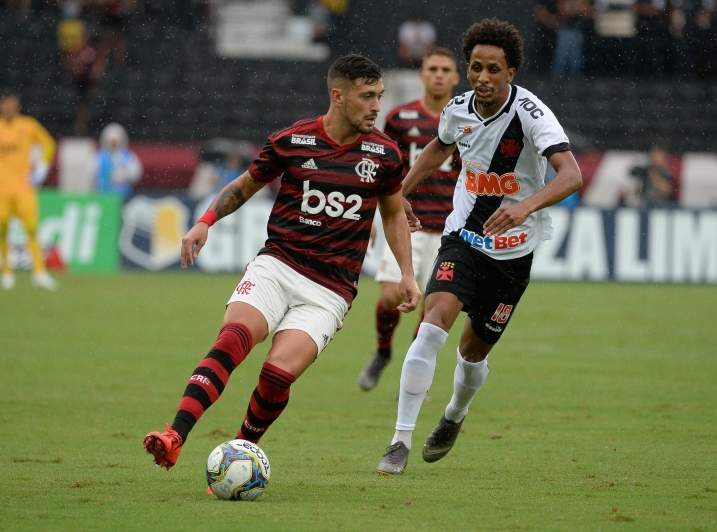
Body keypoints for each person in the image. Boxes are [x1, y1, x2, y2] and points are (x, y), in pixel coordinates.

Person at [143, 54, 421, 473]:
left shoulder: (385, 154)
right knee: (233, 339)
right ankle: (175, 435)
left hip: (331, 289)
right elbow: (245, 185)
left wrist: (407, 273)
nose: (376, 106)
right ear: (338, 96)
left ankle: (240, 455)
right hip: (278, 265)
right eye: (367, 96)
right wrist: (205, 221)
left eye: (379, 96)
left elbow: (394, 213)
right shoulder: (294, 140)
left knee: (277, 375)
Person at [375, 18, 583, 475]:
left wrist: (525, 206)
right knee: (431, 327)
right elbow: (438, 147)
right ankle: (399, 441)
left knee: (472, 355)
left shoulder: (531, 114)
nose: (483, 77)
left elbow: (572, 175)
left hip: (513, 255)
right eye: (475, 67)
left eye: (493, 69)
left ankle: (454, 414)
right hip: (463, 241)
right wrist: (401, 192)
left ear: (511, 72)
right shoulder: (458, 108)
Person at [359, 47, 461, 392]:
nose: (438, 75)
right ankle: (383, 352)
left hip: (450, 231)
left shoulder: (467, 122)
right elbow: (382, 171)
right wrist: (371, 215)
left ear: (455, 77)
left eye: (445, 69)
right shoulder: (400, 119)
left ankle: (412, 371)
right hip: (407, 225)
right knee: (391, 295)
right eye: (433, 69)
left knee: (433, 310)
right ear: (422, 75)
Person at [0, 93, 58, 291]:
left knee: (31, 230)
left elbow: (48, 143)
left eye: (11, 104)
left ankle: (39, 273)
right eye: (5, 104)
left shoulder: (28, 125)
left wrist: (41, 168)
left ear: (17, 106)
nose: (8, 108)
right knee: (2, 231)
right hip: (2, 191)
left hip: (24, 189)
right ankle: (7, 273)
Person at [95, 123, 142, 198]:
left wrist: (126, 174)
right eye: (112, 142)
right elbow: (91, 174)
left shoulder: (128, 156)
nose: (114, 145)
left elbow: (136, 173)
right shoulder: (100, 156)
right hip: (103, 196)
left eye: (115, 142)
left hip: (124, 196)